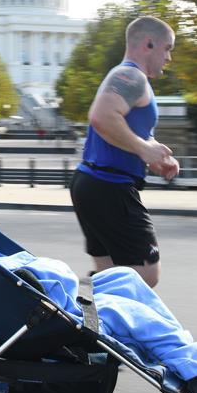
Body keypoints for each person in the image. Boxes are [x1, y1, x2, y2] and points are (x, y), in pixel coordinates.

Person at [0, 251, 197, 393]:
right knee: (126, 312)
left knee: (125, 277)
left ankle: (190, 357)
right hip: (48, 310)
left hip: (57, 294)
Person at [70, 16, 179, 289]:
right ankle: (71, 294)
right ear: (148, 44)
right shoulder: (131, 76)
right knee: (145, 275)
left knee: (111, 276)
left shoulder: (131, 78)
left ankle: (87, 305)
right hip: (109, 187)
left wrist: (153, 153)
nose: (169, 58)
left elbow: (128, 128)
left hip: (94, 184)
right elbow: (102, 117)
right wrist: (143, 148)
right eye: (167, 48)